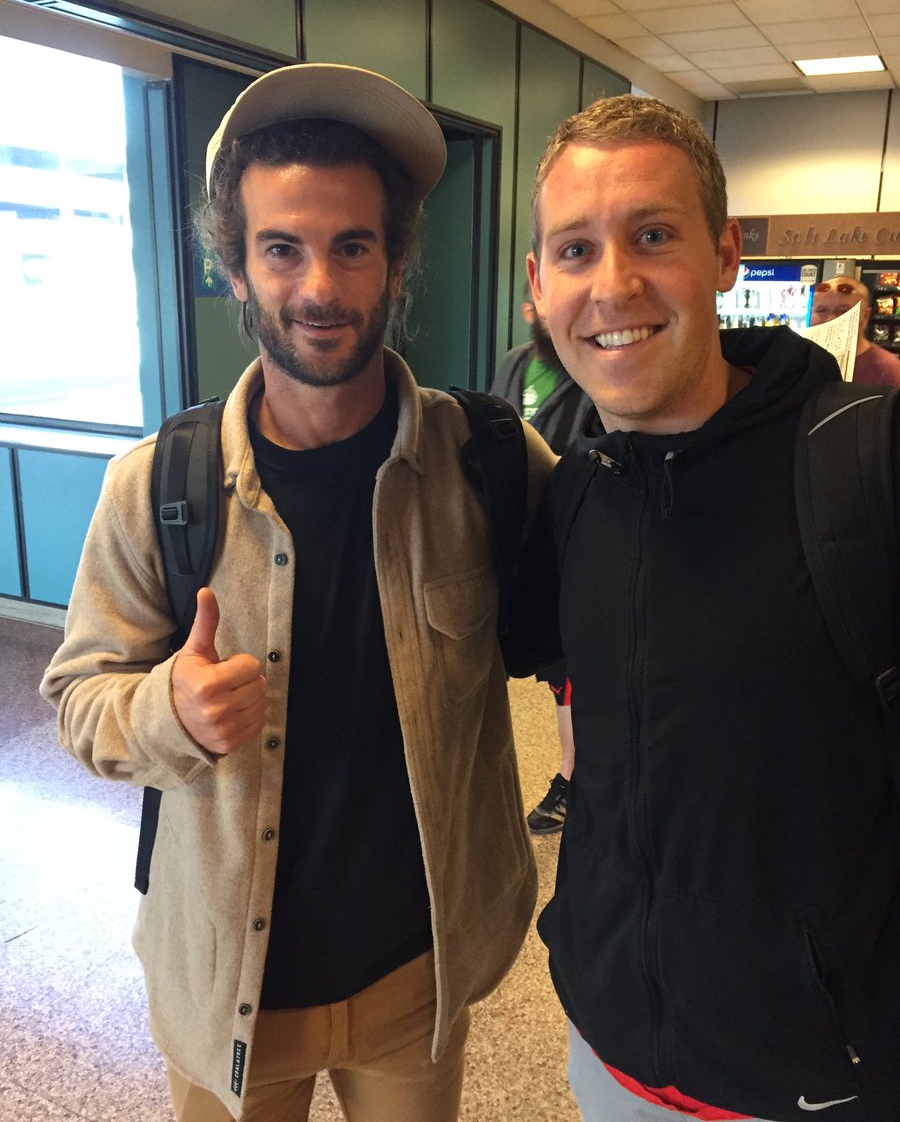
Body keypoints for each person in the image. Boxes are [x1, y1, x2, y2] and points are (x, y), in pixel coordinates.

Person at [40, 62, 556, 1122]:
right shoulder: (157, 486)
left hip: (418, 979)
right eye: (281, 249)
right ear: (235, 266)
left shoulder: (489, 462)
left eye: (352, 246)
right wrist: (168, 711)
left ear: (397, 264)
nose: (318, 286)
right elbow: (80, 698)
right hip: (230, 990)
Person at [524, 93, 900, 1122]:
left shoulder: (865, 462)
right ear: (538, 286)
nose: (614, 285)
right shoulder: (574, 489)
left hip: (821, 1082)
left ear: (725, 254)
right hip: (611, 1053)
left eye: (654, 235)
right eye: (575, 249)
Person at [491, 283, 593, 834]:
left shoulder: (592, 362)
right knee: (555, 670)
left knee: (572, 670)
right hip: (527, 538)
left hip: (575, 533)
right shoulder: (515, 363)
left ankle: (572, 779)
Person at [810, 274, 900, 386]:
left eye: (843, 311)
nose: (831, 319)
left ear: (865, 316)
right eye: (822, 310)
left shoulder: (888, 370)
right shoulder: (800, 359)